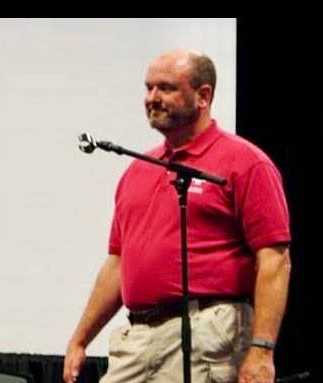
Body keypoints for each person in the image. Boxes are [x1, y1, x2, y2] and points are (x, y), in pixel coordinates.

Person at [63, 50, 291, 383]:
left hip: (207, 331)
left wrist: (261, 350)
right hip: (138, 337)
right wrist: (80, 339)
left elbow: (274, 260)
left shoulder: (245, 163)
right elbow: (118, 263)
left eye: (166, 88)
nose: (152, 98)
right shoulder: (138, 171)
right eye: (148, 88)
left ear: (204, 96)